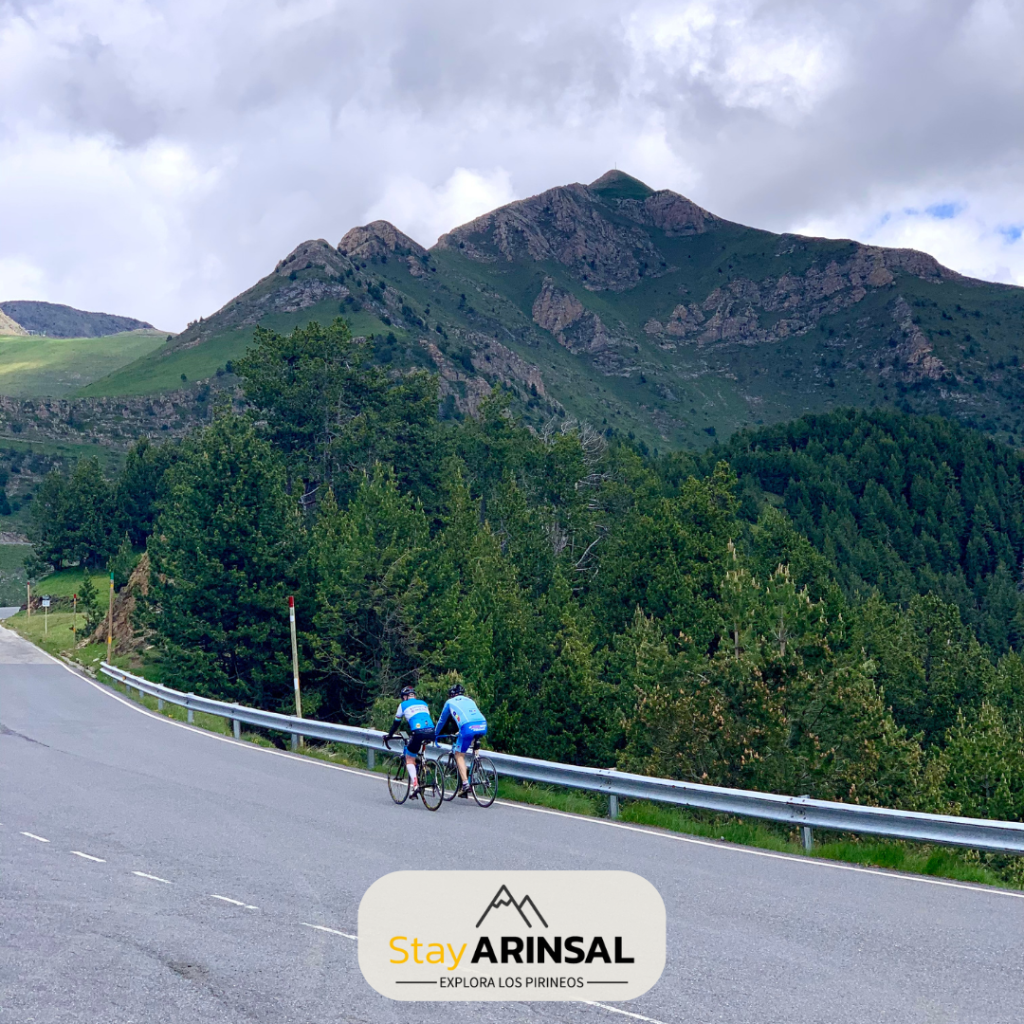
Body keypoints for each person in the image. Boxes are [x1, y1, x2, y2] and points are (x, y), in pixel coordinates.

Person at [434, 682, 487, 798]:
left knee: (459, 755)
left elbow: (442, 721)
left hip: (467, 727)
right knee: (472, 741)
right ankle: (476, 761)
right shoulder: (470, 700)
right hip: (482, 724)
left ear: (451, 695)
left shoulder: (449, 702)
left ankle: (465, 784)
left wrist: (435, 734)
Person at [384, 684, 435, 800]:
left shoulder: (403, 705)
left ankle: (416, 785)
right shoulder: (423, 703)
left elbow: (396, 723)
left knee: (409, 758)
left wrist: (389, 735)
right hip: (431, 731)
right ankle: (424, 766)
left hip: (418, 732)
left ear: (405, 697)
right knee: (419, 752)